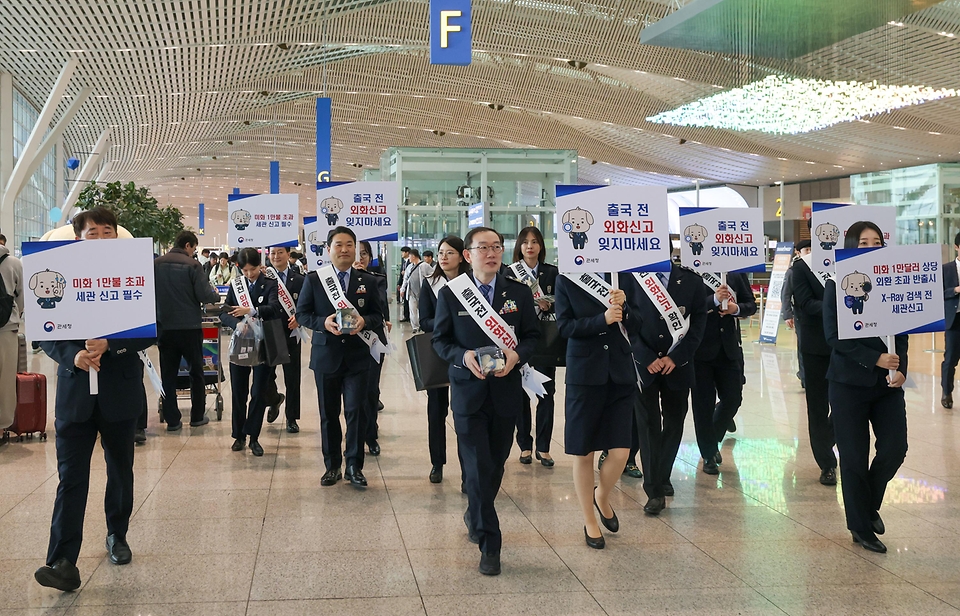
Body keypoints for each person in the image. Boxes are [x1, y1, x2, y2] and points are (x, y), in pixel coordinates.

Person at [34, 207, 155, 591]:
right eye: (92, 233)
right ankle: (62, 559)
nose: (100, 238)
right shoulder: (57, 271)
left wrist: (112, 344)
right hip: (74, 392)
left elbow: (152, 329)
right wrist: (73, 354)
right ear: (78, 238)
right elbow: (45, 332)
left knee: (120, 470)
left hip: (119, 389)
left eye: (107, 231)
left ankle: (117, 535)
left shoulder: (134, 273)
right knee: (71, 478)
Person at [432, 226, 539, 576]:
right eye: (483, 247)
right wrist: (463, 357)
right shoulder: (452, 294)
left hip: (506, 394)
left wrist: (517, 356)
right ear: (468, 255)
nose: (491, 253)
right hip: (468, 393)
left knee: (494, 466)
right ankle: (490, 544)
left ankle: (475, 513)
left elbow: (534, 338)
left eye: (496, 247)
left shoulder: (519, 294)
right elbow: (440, 341)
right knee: (477, 468)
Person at [823, 221, 908, 554]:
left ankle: (868, 505)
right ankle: (860, 527)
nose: (871, 247)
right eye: (863, 243)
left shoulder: (892, 284)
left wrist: (902, 368)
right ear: (849, 247)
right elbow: (834, 337)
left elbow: (902, 331)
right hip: (847, 384)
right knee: (855, 459)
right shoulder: (836, 285)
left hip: (888, 385)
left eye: (876, 242)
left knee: (894, 449)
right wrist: (875, 359)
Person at [555, 270, 641, 548]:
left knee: (621, 450)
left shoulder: (622, 276)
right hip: (584, 373)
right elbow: (565, 327)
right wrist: (601, 320)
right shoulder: (566, 278)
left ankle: (602, 494)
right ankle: (589, 519)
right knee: (583, 451)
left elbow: (640, 324)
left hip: (620, 372)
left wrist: (625, 308)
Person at [296, 226, 385, 487]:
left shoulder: (368, 281)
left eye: (349, 244)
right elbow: (302, 314)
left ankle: (355, 466)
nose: (344, 249)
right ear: (328, 249)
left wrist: (363, 322)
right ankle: (332, 465)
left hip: (358, 358)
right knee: (329, 413)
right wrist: (323, 322)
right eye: (338, 245)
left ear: (355, 248)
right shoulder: (314, 280)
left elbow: (378, 316)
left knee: (356, 412)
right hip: (326, 357)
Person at [627, 263, 706, 514]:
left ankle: (663, 475)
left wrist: (677, 357)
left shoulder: (691, 280)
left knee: (674, 422)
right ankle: (654, 490)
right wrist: (644, 355)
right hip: (644, 366)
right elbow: (625, 322)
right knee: (648, 425)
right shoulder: (632, 277)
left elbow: (698, 323)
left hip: (678, 365)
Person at [153, 231, 221, 433]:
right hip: (189, 328)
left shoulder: (156, 264)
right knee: (196, 372)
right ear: (188, 245)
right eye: (193, 248)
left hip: (165, 327)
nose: (193, 253)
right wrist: (215, 296)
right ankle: (197, 416)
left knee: (168, 375)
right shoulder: (193, 265)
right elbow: (204, 294)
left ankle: (173, 420)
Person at [691, 272, 757, 475]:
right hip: (700, 349)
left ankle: (712, 440)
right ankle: (709, 454)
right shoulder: (691, 274)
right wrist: (713, 301)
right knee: (703, 404)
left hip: (729, 349)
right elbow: (685, 307)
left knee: (733, 398)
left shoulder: (735, 273)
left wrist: (737, 309)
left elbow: (750, 304)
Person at [219, 248, 282, 457]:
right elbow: (224, 311)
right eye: (245, 270)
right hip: (241, 345)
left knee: (258, 393)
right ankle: (239, 435)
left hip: (264, 344)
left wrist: (251, 310)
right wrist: (236, 324)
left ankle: (254, 436)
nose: (249, 274)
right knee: (239, 392)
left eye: (253, 269)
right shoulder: (237, 285)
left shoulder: (271, 283)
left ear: (259, 265)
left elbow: (274, 308)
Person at [419, 235, 470, 484]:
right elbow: (423, 320)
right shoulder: (430, 283)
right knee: (436, 412)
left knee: (464, 413)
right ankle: (437, 463)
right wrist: (448, 321)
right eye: (441, 253)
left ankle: (467, 469)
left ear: (462, 256)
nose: (443, 257)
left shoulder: (472, 283)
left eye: (450, 252)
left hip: (467, 355)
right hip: (439, 353)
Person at [507, 227, 559, 467]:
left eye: (535, 242)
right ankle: (525, 446)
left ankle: (545, 447)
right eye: (525, 242)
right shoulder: (508, 273)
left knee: (546, 393)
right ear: (519, 246)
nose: (530, 246)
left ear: (541, 246)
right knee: (519, 395)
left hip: (546, 341)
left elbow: (564, 304)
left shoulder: (552, 273)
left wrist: (551, 305)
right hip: (517, 342)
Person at [792, 235, 838, 485]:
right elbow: (806, 303)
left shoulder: (848, 263)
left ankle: (825, 440)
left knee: (843, 405)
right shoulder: (801, 267)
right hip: (815, 347)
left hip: (848, 346)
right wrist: (838, 305)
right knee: (818, 407)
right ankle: (827, 463)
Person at [263, 245, 305, 434]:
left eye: (280, 252)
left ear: (289, 254)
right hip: (269, 332)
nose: (276, 256)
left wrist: (300, 318)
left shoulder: (300, 280)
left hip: (291, 333)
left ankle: (291, 418)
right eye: (272, 253)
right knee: (266, 376)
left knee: (292, 377)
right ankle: (274, 400)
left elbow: (307, 305)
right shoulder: (264, 278)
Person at [355, 240, 390, 455]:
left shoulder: (377, 280)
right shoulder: (334, 281)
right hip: (346, 343)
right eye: (355, 253)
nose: (360, 258)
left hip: (372, 341)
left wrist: (362, 279)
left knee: (370, 391)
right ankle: (354, 438)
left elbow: (381, 308)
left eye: (364, 254)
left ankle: (371, 435)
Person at [0, 228, 23, 431]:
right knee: (5, 380)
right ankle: (1, 426)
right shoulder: (13, 262)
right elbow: (22, 297)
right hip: (6, 328)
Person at [783, 240, 811, 387]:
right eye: (807, 250)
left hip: (817, 316)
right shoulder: (793, 271)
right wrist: (787, 314)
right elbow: (786, 294)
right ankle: (805, 377)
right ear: (798, 252)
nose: (810, 253)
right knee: (803, 346)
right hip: (800, 315)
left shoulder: (818, 270)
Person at [941, 232, 960, 409]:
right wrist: (955, 290)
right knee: (951, 358)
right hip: (954, 320)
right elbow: (938, 293)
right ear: (956, 247)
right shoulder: (946, 269)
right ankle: (946, 392)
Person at [403, 248, 434, 331]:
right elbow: (405, 279)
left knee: (422, 310)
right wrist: (403, 289)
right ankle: (415, 327)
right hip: (411, 292)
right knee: (412, 310)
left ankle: (421, 325)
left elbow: (433, 275)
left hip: (421, 292)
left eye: (410, 256)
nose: (409, 258)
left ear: (413, 256)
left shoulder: (424, 266)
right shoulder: (409, 267)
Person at [397, 246, 411, 322]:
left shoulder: (411, 261)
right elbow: (401, 273)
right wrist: (399, 283)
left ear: (407, 253)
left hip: (409, 284)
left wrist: (405, 273)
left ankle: (409, 316)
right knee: (405, 300)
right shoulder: (403, 261)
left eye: (403, 252)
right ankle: (406, 316)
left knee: (408, 301)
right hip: (404, 283)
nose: (402, 254)